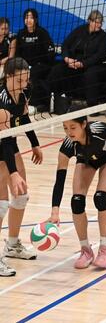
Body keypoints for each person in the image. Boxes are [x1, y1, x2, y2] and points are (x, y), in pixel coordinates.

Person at [61, 108, 106, 268]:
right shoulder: (68, 144)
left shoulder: (101, 129)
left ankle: (104, 249)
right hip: (87, 161)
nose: (69, 132)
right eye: (65, 128)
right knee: (76, 201)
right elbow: (59, 179)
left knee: (100, 198)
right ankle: (86, 250)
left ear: (83, 124)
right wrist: (54, 210)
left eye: (73, 127)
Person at [0, 58, 44, 277]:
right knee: (0, 204)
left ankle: (13, 244)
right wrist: (13, 172)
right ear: (7, 77)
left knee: (21, 195)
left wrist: (35, 144)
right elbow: (4, 141)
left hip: (8, 144)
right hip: (1, 145)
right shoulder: (1, 104)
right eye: (19, 80)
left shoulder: (24, 93)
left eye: (26, 79)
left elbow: (24, 119)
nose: (24, 84)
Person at [47, 10, 106, 111]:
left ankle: (92, 106)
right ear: (90, 21)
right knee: (57, 70)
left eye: (100, 23)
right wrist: (67, 59)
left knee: (91, 74)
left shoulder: (103, 36)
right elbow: (66, 45)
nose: (99, 25)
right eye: (97, 22)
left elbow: (99, 56)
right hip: (73, 62)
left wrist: (82, 64)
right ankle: (52, 102)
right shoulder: (80, 30)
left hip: (91, 64)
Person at [15, 8, 55, 110]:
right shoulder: (21, 34)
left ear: (36, 20)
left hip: (41, 65)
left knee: (32, 74)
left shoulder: (42, 33)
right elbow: (18, 53)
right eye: (26, 17)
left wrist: (41, 63)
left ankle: (33, 103)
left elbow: (50, 52)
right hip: (25, 65)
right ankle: (17, 100)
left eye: (31, 17)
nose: (28, 20)